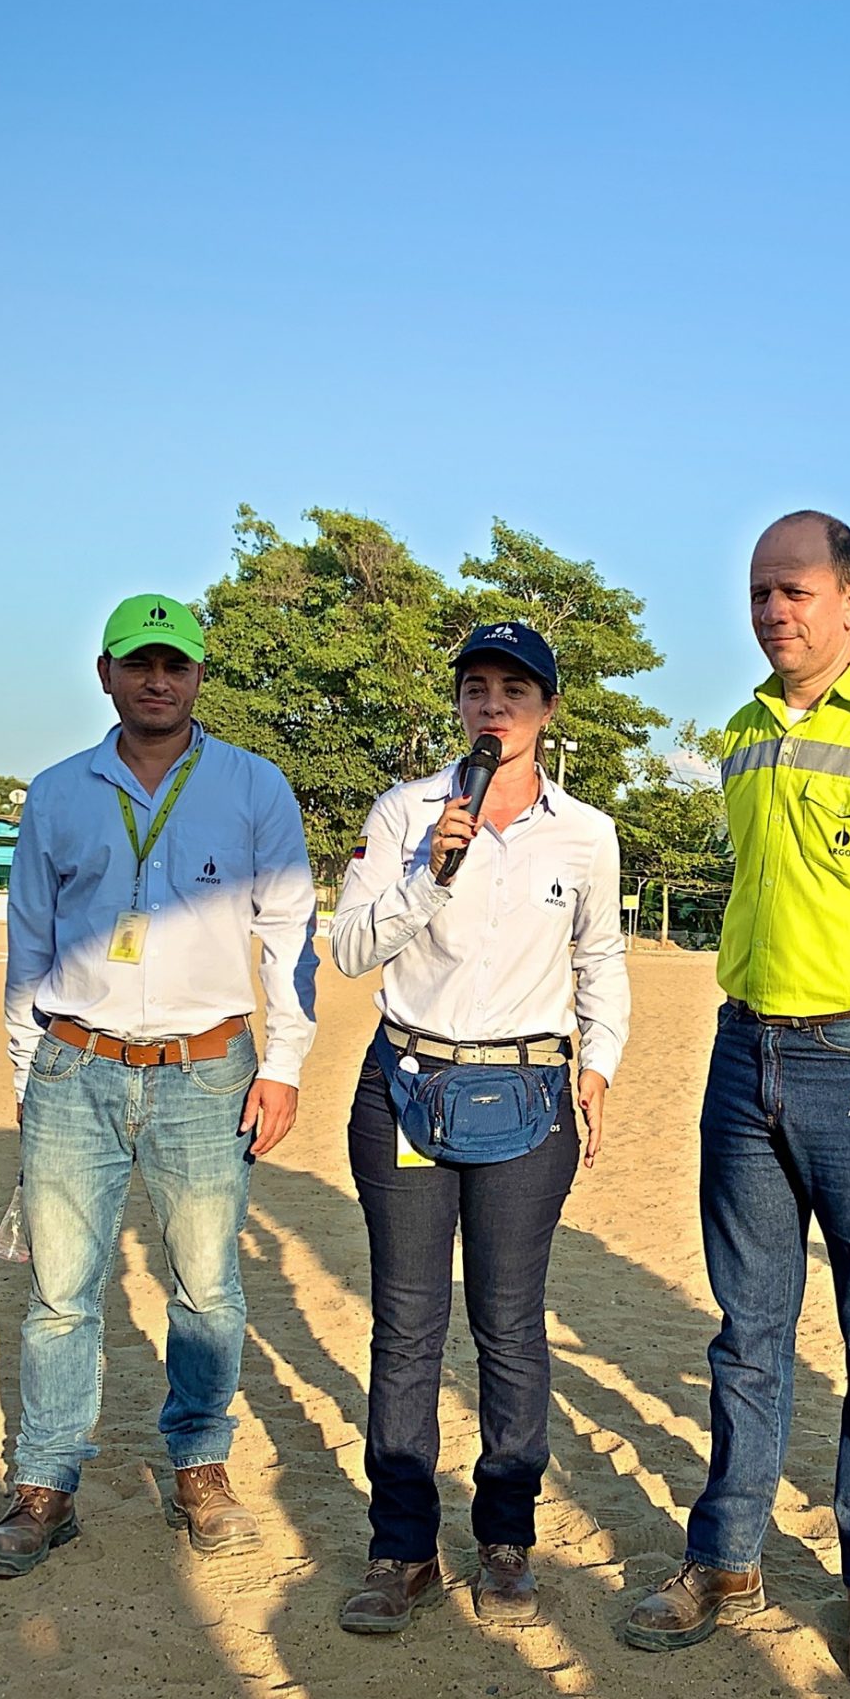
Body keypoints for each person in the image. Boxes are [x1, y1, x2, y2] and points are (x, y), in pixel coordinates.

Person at [623, 510, 850, 1690]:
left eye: (794, 590)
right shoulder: (739, 731)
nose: (773, 611)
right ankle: (725, 1558)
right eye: (757, 593)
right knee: (746, 1332)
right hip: (745, 1060)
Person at [0, 594, 319, 1577]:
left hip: (206, 1069)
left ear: (201, 675)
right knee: (58, 1294)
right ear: (105, 674)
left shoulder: (253, 787)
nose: (157, 680)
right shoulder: (57, 792)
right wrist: (27, 1073)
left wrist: (284, 1065)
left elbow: (289, 938)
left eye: (175, 664)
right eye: (138, 663)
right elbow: (26, 944)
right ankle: (44, 1484)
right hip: (74, 1066)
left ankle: (200, 1467)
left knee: (206, 1288)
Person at [325, 621, 629, 1634]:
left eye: (515, 689)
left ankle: (506, 1533)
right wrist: (429, 872)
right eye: (477, 686)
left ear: (547, 709)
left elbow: (600, 963)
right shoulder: (406, 811)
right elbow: (352, 949)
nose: (493, 704)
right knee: (406, 1326)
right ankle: (401, 1547)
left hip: (530, 1098)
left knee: (508, 1321)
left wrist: (600, 1067)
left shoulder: (583, 832)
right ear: (457, 702)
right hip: (407, 1085)